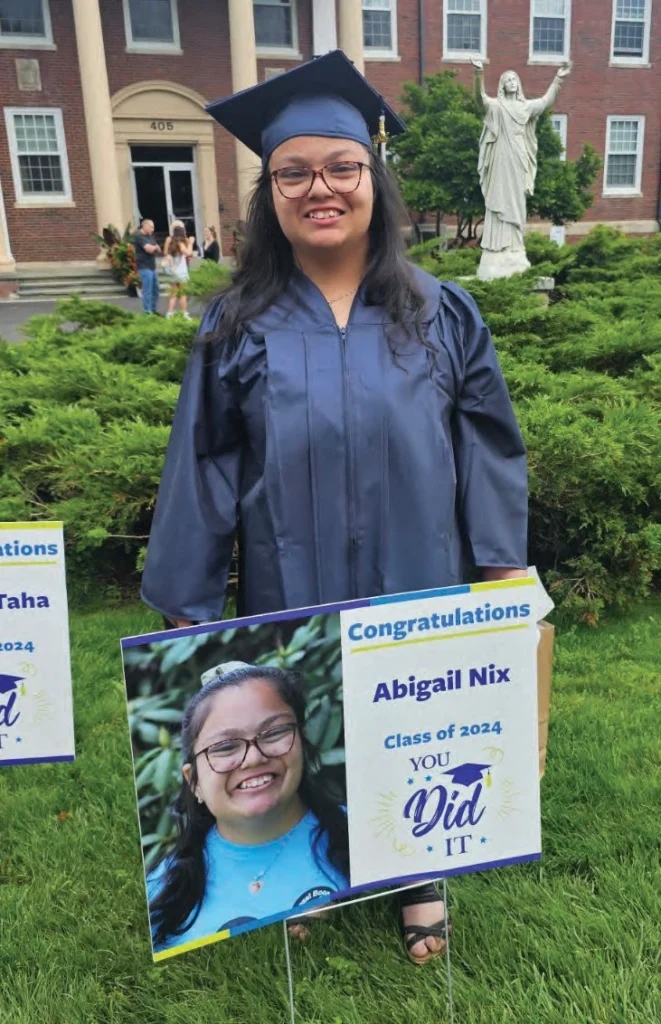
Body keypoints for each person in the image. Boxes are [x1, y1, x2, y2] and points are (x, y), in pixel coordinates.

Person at [141, 49, 528, 966]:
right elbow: (203, 459)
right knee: (296, 717)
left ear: (373, 175)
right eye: (294, 173)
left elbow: (487, 445)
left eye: (341, 168)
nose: (321, 189)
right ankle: (309, 866)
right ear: (270, 191)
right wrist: (187, 593)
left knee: (417, 716)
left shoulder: (441, 312)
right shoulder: (238, 323)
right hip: (289, 565)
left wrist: (504, 561)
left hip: (420, 563)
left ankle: (419, 876)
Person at [148, 662, 349, 952]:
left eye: (274, 732)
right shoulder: (159, 893)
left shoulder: (370, 834)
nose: (253, 758)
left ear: (302, 743)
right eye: (225, 747)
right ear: (195, 783)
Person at [472, 60, 572, 272]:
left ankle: (515, 247)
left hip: (518, 159)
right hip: (500, 160)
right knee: (498, 200)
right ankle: (497, 248)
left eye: (514, 79)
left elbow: (545, 101)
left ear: (518, 84)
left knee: (516, 203)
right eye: (507, 80)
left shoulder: (525, 107)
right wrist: (479, 73)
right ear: (502, 85)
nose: (511, 82)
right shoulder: (496, 107)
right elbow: (479, 100)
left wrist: (558, 79)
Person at [164, 220, 195, 319]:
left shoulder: (169, 240)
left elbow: (165, 252)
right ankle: (184, 313)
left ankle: (170, 313)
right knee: (182, 293)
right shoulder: (181, 242)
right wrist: (190, 243)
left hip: (172, 270)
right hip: (181, 270)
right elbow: (188, 253)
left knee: (173, 293)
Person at [133, 218, 161, 314]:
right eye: (151, 227)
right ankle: (147, 311)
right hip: (144, 267)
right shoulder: (139, 237)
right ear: (145, 226)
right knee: (147, 290)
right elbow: (148, 249)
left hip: (152, 267)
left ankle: (153, 309)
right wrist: (154, 248)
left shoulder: (150, 236)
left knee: (155, 290)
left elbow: (159, 249)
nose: (153, 229)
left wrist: (154, 248)